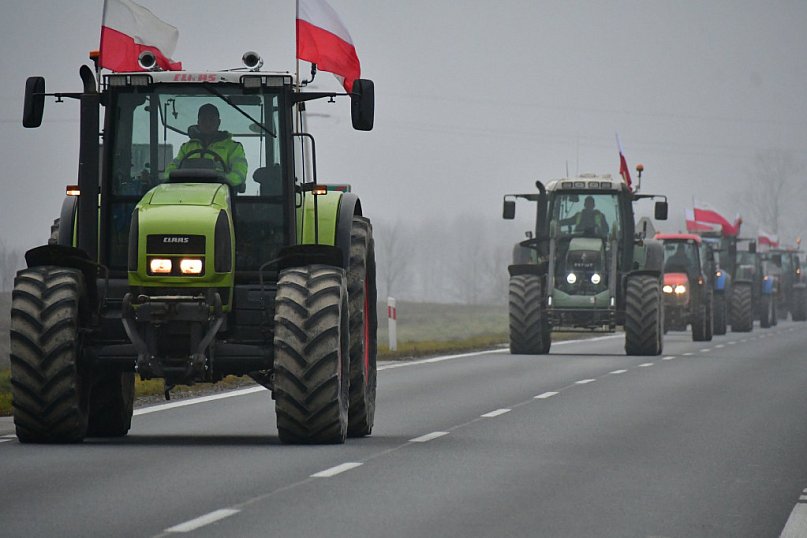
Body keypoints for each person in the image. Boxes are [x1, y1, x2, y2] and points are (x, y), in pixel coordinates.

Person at [164, 103, 247, 189]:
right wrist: (172, 177)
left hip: (221, 195)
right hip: (187, 193)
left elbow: (239, 174)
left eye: (211, 119)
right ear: (198, 123)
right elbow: (171, 169)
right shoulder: (186, 147)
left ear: (219, 122)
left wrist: (221, 181)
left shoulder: (233, 147)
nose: (208, 123)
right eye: (204, 120)